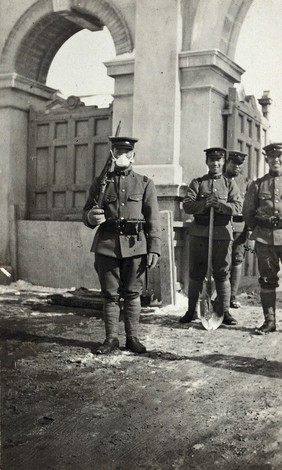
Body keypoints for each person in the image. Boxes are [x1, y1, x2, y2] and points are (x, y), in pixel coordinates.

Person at [83, 136, 161, 354]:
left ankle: (132, 338)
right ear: (112, 155)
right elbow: (86, 212)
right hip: (107, 244)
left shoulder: (145, 183)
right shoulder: (100, 183)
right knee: (110, 294)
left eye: (127, 153)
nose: (122, 157)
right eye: (118, 152)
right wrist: (91, 216)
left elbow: (153, 219)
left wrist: (154, 247)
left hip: (136, 245)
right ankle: (110, 339)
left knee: (133, 293)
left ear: (133, 156)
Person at [179, 147, 242, 326]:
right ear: (207, 162)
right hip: (200, 233)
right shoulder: (198, 183)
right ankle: (191, 311)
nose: (215, 163)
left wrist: (221, 204)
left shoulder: (229, 184)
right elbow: (187, 205)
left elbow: (238, 208)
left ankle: (226, 312)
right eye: (211, 160)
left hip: (222, 234)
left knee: (222, 273)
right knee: (196, 273)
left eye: (218, 160)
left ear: (223, 163)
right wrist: (204, 204)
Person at [243, 142, 282, 334]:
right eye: (272, 157)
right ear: (266, 159)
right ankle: (270, 321)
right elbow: (248, 213)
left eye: (279, 156)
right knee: (267, 279)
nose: (276, 160)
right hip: (265, 239)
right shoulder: (257, 185)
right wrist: (260, 228)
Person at [224, 150, 250, 308]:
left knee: (237, 260)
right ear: (227, 163)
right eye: (234, 163)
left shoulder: (246, 182)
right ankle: (221, 294)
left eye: (240, 164)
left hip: (240, 227)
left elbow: (249, 208)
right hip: (223, 226)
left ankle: (232, 296)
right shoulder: (220, 180)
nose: (237, 167)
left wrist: (250, 228)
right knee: (221, 261)